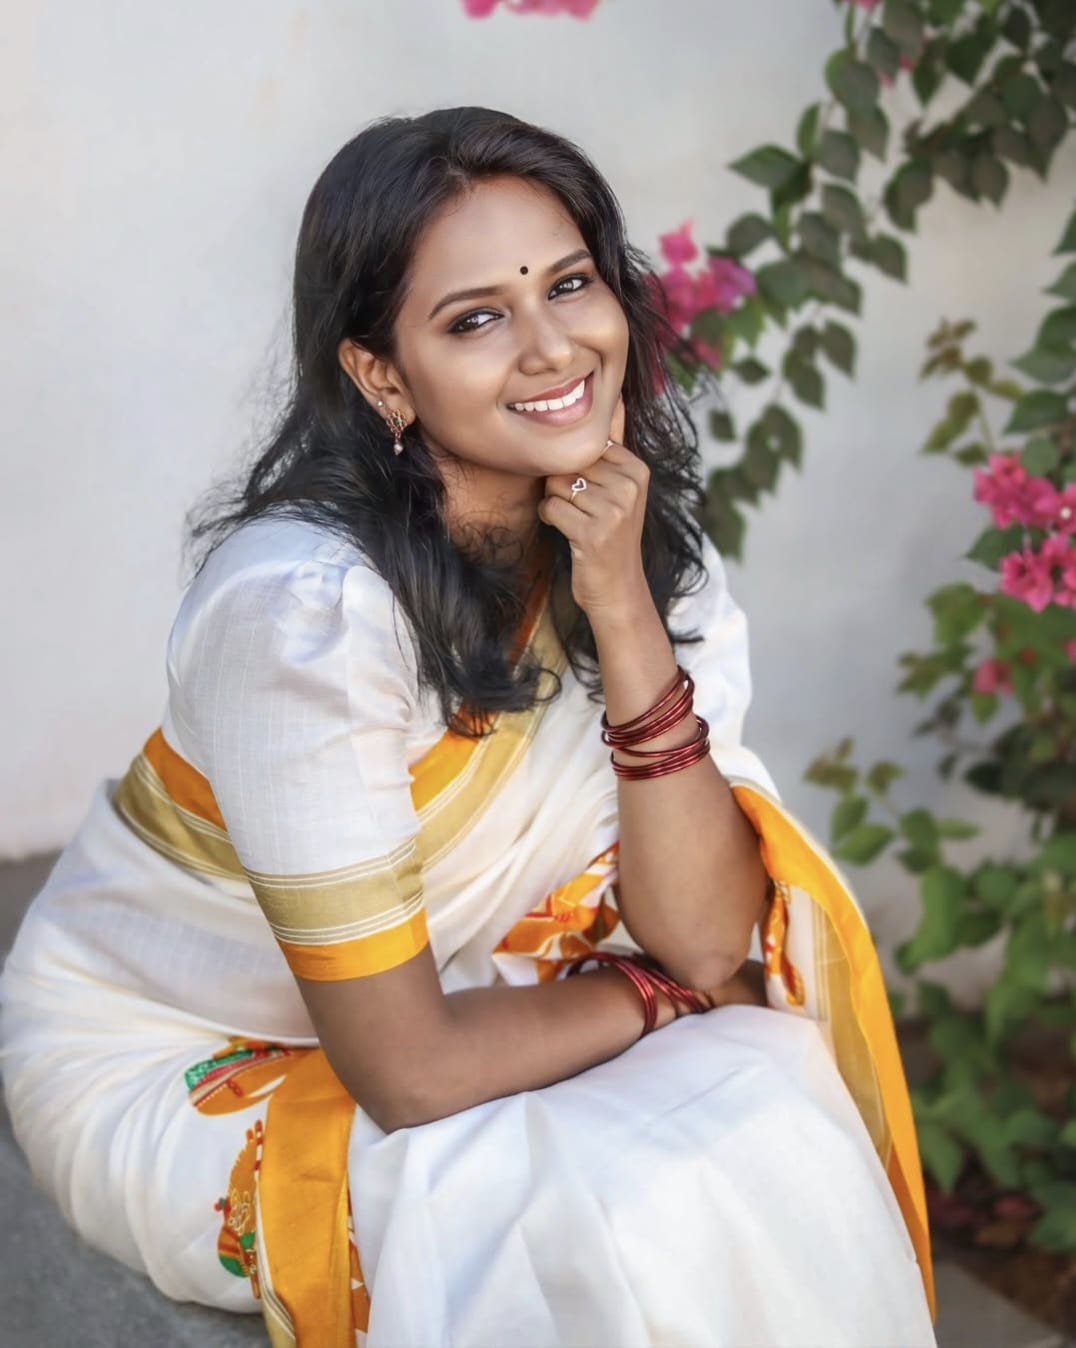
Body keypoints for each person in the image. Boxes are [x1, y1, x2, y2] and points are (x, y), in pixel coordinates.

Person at [0, 106, 937, 1347]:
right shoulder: (308, 616)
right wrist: (650, 999)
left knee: (769, 1106)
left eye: (569, 284)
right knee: (581, 1210)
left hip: (472, 987)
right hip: (183, 1054)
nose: (554, 349)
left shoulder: (645, 557)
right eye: (476, 318)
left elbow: (705, 935)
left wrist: (617, 609)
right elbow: (417, 1075)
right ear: (380, 373)